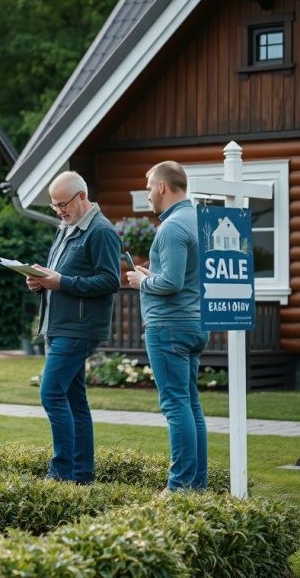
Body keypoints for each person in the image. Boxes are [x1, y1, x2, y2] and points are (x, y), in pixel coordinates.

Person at [26, 171, 121, 484]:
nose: (59, 211)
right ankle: (82, 477)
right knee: (74, 401)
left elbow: (110, 281)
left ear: (82, 196)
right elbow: (57, 274)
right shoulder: (65, 227)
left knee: (51, 393)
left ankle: (61, 471)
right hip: (58, 325)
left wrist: (61, 281)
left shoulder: (102, 231)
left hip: (79, 329)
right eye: (54, 206)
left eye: (62, 204)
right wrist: (40, 280)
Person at [127, 161, 209, 492]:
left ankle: (179, 488)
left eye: (148, 187)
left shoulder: (173, 227)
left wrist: (139, 282)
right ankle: (197, 485)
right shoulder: (197, 220)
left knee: (175, 406)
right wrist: (152, 276)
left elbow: (172, 282)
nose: (147, 194)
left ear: (163, 187)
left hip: (169, 326)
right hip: (193, 322)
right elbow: (182, 277)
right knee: (190, 404)